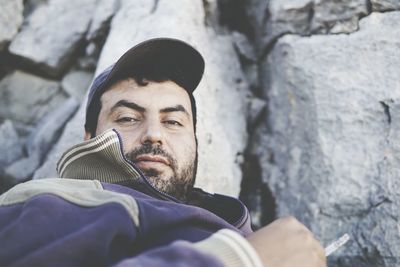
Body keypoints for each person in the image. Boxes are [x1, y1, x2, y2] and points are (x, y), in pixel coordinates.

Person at [0, 38, 326, 267]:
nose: (155, 133)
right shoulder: (47, 203)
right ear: (89, 137)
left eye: (173, 121)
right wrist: (239, 260)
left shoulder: (228, 219)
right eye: (127, 118)